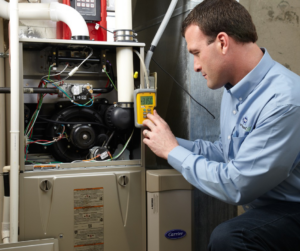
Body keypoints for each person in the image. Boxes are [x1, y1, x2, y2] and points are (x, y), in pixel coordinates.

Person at [142, 0, 300, 250]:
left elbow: (238, 184)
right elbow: (226, 153)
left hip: (293, 208)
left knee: (230, 237)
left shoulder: (284, 101)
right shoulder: (234, 90)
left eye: (196, 53)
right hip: (270, 208)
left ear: (223, 42)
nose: (195, 66)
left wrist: (173, 152)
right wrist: (164, 141)